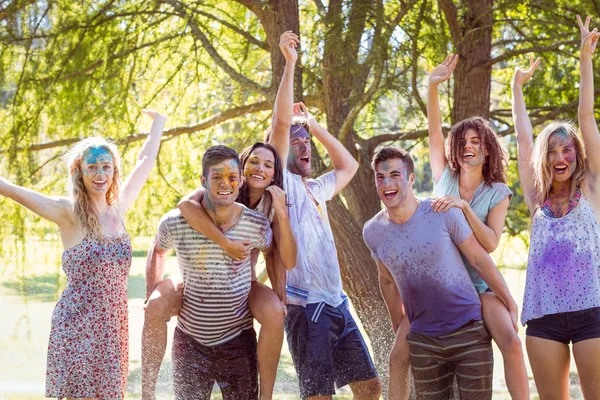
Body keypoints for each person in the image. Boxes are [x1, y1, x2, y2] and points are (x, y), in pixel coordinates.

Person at [383, 54, 528, 400]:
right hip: (439, 289)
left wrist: (464, 208)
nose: (469, 147)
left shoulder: (497, 192)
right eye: (463, 142)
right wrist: (432, 86)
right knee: (398, 356)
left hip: (478, 286)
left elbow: (490, 244)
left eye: (477, 142)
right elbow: (434, 129)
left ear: (488, 150)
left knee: (509, 338)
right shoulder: (443, 176)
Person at [0, 110, 166, 399]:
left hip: (113, 327)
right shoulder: (67, 212)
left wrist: (159, 125)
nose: (99, 174)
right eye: (92, 167)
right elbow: (12, 191)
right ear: (79, 170)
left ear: (114, 171)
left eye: (106, 167)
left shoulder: (119, 207)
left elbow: (145, 161)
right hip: (78, 324)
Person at [267, 32, 381, 400]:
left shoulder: (315, 188)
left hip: (336, 302)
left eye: (307, 143)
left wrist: (314, 125)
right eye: (296, 143)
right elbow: (281, 125)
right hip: (307, 306)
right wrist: (290, 63)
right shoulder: (280, 182)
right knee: (319, 397)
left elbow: (348, 165)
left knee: (370, 388)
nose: (303, 147)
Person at [141, 141, 296, 400]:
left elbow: (275, 253)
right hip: (191, 339)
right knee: (155, 305)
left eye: (231, 178)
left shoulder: (257, 222)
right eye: (217, 177)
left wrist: (279, 293)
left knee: (273, 312)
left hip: (237, 338)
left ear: (240, 181)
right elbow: (158, 248)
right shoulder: (177, 221)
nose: (226, 183)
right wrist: (154, 293)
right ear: (203, 179)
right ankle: (147, 393)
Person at [363, 146, 519, 400]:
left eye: (394, 175)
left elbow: (479, 259)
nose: (387, 183)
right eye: (380, 177)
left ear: (411, 179)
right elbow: (388, 281)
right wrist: (399, 325)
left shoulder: (441, 212)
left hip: (468, 331)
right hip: (424, 339)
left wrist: (509, 302)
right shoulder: (373, 231)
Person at [511, 16, 600, 399]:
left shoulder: (592, 188)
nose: (559, 156)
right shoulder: (536, 200)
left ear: (577, 154)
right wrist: (516, 87)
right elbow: (522, 136)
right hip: (543, 319)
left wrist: (584, 58)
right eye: (552, 151)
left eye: (567, 149)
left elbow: (585, 117)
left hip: (592, 315)